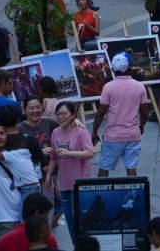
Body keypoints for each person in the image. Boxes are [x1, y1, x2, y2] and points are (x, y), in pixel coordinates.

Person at [92, 54, 149, 178]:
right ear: (129, 68)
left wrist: (94, 131)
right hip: (133, 134)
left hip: (112, 136)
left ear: (112, 69)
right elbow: (145, 111)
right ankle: (134, 195)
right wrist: (141, 126)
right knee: (131, 169)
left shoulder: (108, 87)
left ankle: (101, 195)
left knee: (103, 169)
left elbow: (101, 112)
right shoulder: (140, 86)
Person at [46, 101, 95, 242]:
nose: (61, 117)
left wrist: (70, 153)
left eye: (64, 113)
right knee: (69, 218)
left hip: (80, 182)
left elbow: (90, 152)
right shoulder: (55, 132)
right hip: (64, 183)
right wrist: (49, 174)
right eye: (58, 114)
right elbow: (54, 156)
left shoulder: (81, 131)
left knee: (81, 218)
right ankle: (76, 245)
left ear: (73, 114)